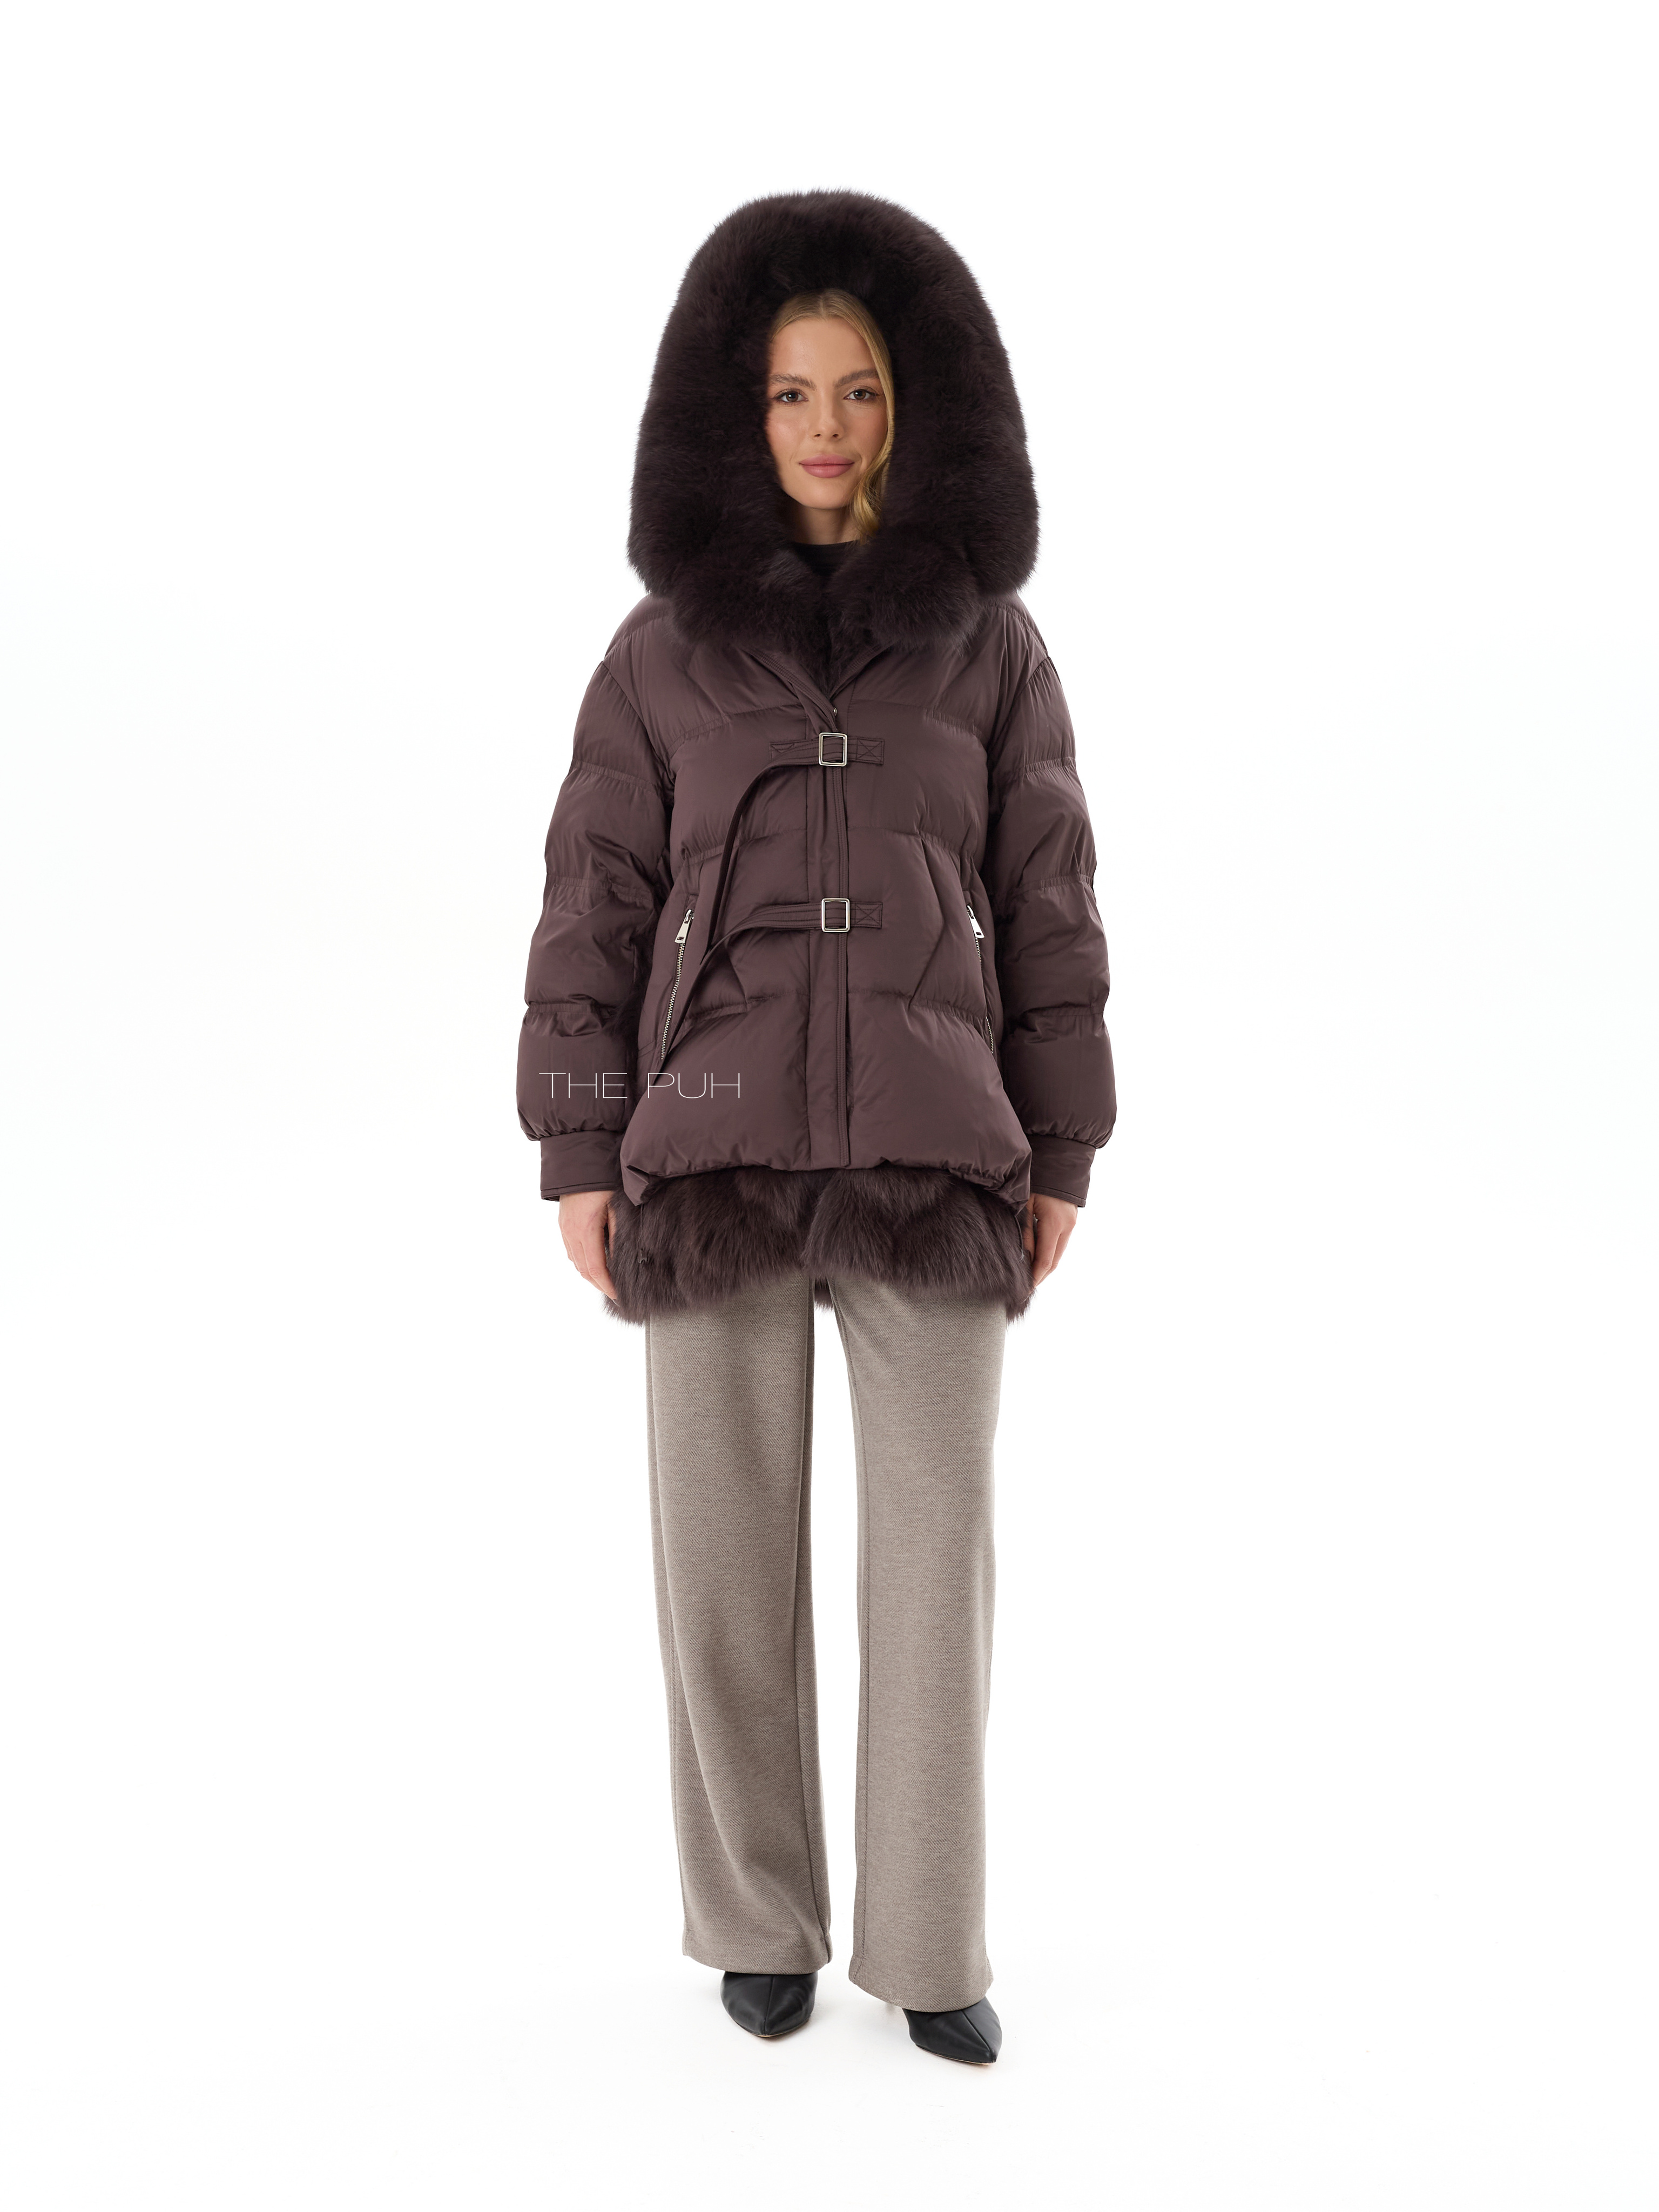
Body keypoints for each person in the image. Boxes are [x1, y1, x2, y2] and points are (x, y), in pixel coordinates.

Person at [517, 190, 1115, 2065]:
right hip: (705, 1150)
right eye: (792, 394)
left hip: (940, 1154)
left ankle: (930, 1947)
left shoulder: (994, 652)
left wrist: (1063, 1149)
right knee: (723, 1565)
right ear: (739, 410)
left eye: (860, 391)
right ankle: (756, 1923)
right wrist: (581, 1147)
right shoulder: (659, 657)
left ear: (916, 405)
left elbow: (1050, 905)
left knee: (936, 1563)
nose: (829, 428)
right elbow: (595, 901)